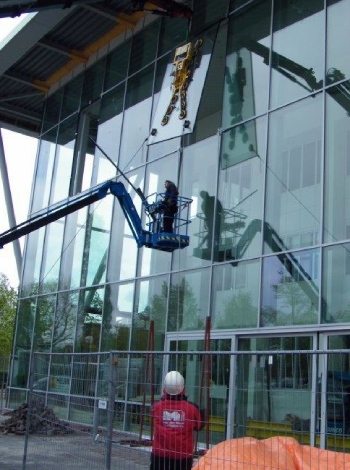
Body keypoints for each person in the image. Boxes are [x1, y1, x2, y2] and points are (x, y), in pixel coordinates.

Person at [150, 371, 204, 470]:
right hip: (182, 457)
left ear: (164, 389)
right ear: (183, 389)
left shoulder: (156, 407)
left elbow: (153, 417)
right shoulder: (192, 409)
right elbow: (199, 426)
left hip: (159, 455)